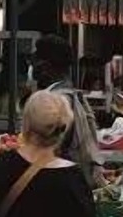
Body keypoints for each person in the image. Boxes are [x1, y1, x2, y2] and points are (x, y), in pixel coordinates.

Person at [32, 35, 101, 185]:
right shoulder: (74, 96)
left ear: (45, 66)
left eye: (35, 60)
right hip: (75, 185)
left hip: (59, 186)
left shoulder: (55, 102)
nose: (32, 66)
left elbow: (45, 151)